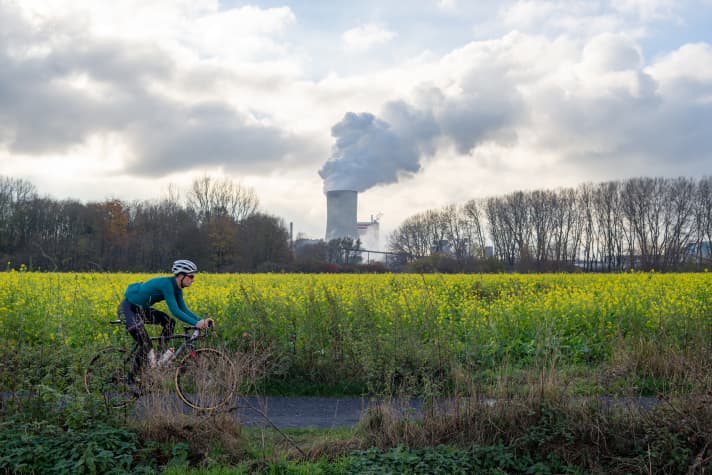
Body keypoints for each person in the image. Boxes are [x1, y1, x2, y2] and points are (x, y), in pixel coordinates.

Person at [117, 259, 214, 381]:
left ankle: (159, 357)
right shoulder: (166, 284)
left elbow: (183, 308)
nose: (193, 279)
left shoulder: (177, 288)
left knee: (169, 322)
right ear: (181, 276)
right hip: (128, 309)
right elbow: (175, 310)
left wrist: (202, 320)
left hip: (140, 309)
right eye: (191, 276)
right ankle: (131, 378)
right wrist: (196, 323)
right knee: (145, 343)